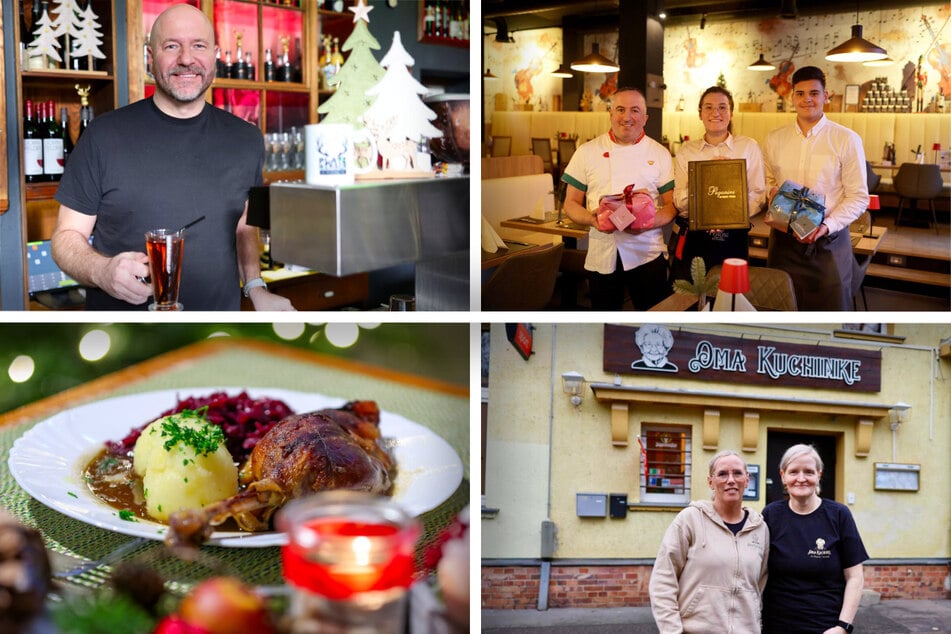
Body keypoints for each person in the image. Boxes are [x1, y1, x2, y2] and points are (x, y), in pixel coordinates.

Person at [51, 4, 294, 311]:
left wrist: (256, 287)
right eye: (171, 46)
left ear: (215, 54)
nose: (187, 59)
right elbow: (65, 238)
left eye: (199, 46)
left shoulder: (246, 139)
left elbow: (243, 226)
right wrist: (102, 272)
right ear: (151, 58)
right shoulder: (102, 136)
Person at [762, 66, 869, 310]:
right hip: (783, 242)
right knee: (780, 310)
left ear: (825, 96)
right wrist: (770, 193)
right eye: (799, 93)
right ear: (792, 97)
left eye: (813, 93)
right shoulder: (774, 139)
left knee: (830, 310)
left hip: (828, 242)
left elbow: (858, 197)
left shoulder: (846, 139)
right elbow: (767, 181)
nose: (806, 99)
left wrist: (826, 226)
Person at [561, 87, 676, 310]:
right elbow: (571, 203)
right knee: (606, 320)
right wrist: (591, 219)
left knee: (652, 317)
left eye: (635, 110)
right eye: (620, 109)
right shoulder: (587, 151)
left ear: (645, 118)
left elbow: (671, 206)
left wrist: (647, 223)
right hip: (603, 253)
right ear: (611, 114)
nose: (627, 117)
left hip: (647, 253)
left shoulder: (659, 153)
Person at [649, 451, 769, 634]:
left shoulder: (760, 529)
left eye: (737, 473)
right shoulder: (690, 520)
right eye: (722, 474)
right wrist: (672, 630)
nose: (731, 480)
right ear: (710, 482)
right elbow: (663, 580)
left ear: (747, 479)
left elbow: (758, 584)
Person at [761, 444, 868, 634]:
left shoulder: (838, 515)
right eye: (793, 472)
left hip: (826, 627)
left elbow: (855, 577)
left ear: (819, 474)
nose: (801, 478)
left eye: (808, 472)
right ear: (783, 475)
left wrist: (843, 626)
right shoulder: (771, 515)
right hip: (776, 625)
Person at [670, 86, 766, 282]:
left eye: (723, 107)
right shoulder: (686, 152)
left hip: (734, 238)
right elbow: (679, 200)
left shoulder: (748, 147)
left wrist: (726, 215)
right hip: (694, 238)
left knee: (728, 300)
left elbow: (758, 194)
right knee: (688, 301)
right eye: (709, 107)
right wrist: (707, 181)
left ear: (731, 113)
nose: (716, 113)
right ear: (700, 114)